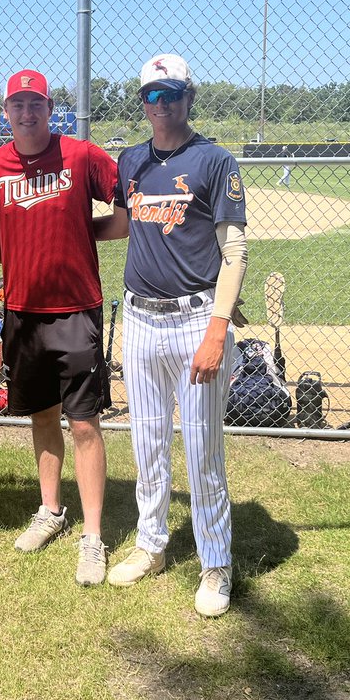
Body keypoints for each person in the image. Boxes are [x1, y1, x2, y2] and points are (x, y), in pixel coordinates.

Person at [96, 53, 248, 618]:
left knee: (202, 448)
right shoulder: (130, 160)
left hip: (195, 318)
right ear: (143, 102)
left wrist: (217, 331)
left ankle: (215, 563)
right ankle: (151, 544)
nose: (165, 104)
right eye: (154, 95)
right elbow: (122, 222)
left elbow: (234, 252)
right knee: (147, 441)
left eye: (174, 92)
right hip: (138, 317)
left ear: (190, 95)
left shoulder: (214, 160)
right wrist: (61, 229)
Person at [0, 69, 118, 586]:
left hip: (76, 309)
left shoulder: (80, 155)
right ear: (5, 113)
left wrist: (85, 229)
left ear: (50, 109)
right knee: (43, 417)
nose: (27, 113)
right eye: (17, 105)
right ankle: (51, 510)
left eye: (36, 104)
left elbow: (129, 207)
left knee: (85, 422)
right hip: (22, 313)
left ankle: (92, 537)